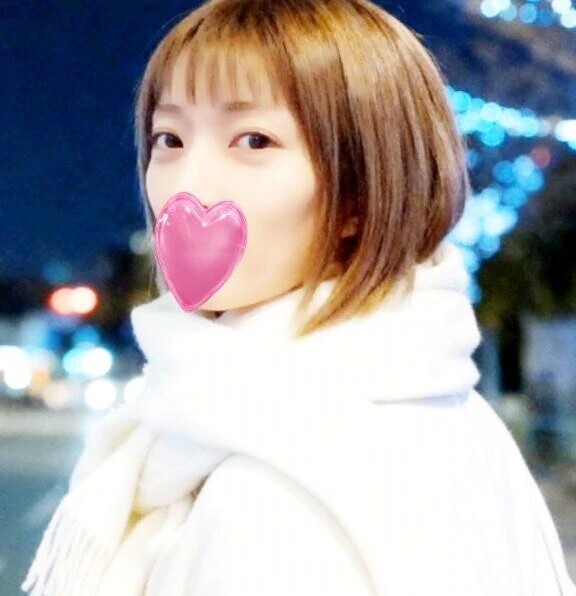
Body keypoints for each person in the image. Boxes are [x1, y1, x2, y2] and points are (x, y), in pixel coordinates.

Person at [21, 0, 576, 594]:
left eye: (253, 140)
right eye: (169, 138)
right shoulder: (450, 409)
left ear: (361, 191)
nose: (187, 184)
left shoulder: (274, 497)